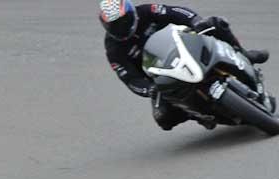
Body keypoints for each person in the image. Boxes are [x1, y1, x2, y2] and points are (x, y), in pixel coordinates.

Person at [100, 1, 271, 130]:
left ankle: (243, 53)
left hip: (184, 48)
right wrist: (149, 89)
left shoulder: (146, 11)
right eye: (114, 25)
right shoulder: (113, 49)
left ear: (131, 13)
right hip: (162, 77)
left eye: (123, 21)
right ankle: (197, 114)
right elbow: (129, 78)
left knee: (216, 23)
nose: (120, 27)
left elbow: (177, 12)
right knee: (163, 119)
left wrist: (196, 22)